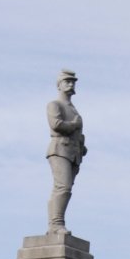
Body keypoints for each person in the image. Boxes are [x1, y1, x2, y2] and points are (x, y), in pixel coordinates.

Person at [46, 69, 86, 231]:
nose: (71, 84)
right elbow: (56, 125)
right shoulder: (54, 105)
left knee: (65, 188)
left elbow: (78, 134)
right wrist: (73, 125)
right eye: (67, 81)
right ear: (59, 85)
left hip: (74, 153)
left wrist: (82, 146)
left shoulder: (73, 109)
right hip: (60, 149)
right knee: (63, 187)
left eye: (73, 82)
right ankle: (56, 223)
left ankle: (56, 223)